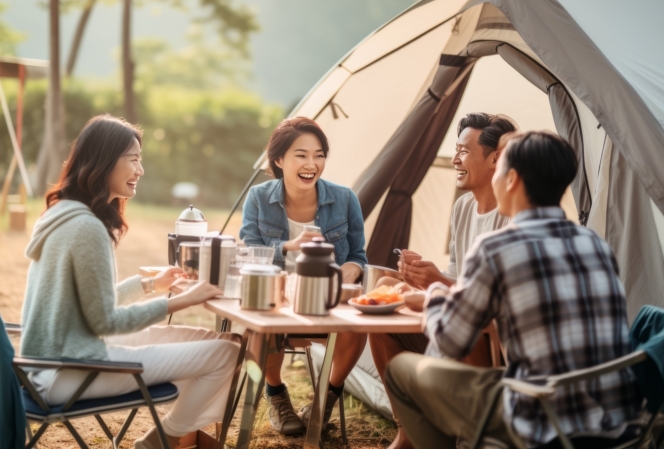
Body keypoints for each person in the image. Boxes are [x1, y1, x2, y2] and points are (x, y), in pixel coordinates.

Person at [386, 132, 642, 449]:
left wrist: (435, 297)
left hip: (542, 419)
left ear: (512, 180)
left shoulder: (496, 248)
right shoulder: (596, 244)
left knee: (401, 371)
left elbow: (451, 340)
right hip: (618, 424)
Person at [20, 115, 240, 449]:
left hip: (50, 363)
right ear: (104, 161)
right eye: (134, 160)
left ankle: (176, 435)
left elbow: (92, 304)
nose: (140, 170)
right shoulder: (87, 228)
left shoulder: (62, 212)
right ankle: (160, 442)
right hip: (73, 370)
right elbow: (104, 319)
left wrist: (150, 284)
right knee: (226, 355)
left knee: (220, 341)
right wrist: (182, 299)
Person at [369, 112, 517, 449]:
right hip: (464, 319)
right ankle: (407, 432)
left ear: (495, 159)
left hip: (494, 341)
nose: (456, 159)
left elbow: (492, 306)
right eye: (455, 149)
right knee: (384, 327)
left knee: (467, 335)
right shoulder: (464, 206)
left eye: (464, 151)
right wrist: (425, 277)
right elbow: (458, 274)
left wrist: (437, 284)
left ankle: (471, 434)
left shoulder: (514, 219)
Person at [240, 117, 367, 434]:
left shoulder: (344, 198)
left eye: (319, 154)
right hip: (279, 304)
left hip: (326, 305)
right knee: (263, 325)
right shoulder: (258, 198)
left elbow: (358, 255)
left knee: (358, 327)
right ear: (279, 159)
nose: (312, 164)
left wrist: (353, 268)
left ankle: (326, 398)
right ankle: (276, 395)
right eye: (302, 155)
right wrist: (288, 246)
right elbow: (249, 251)